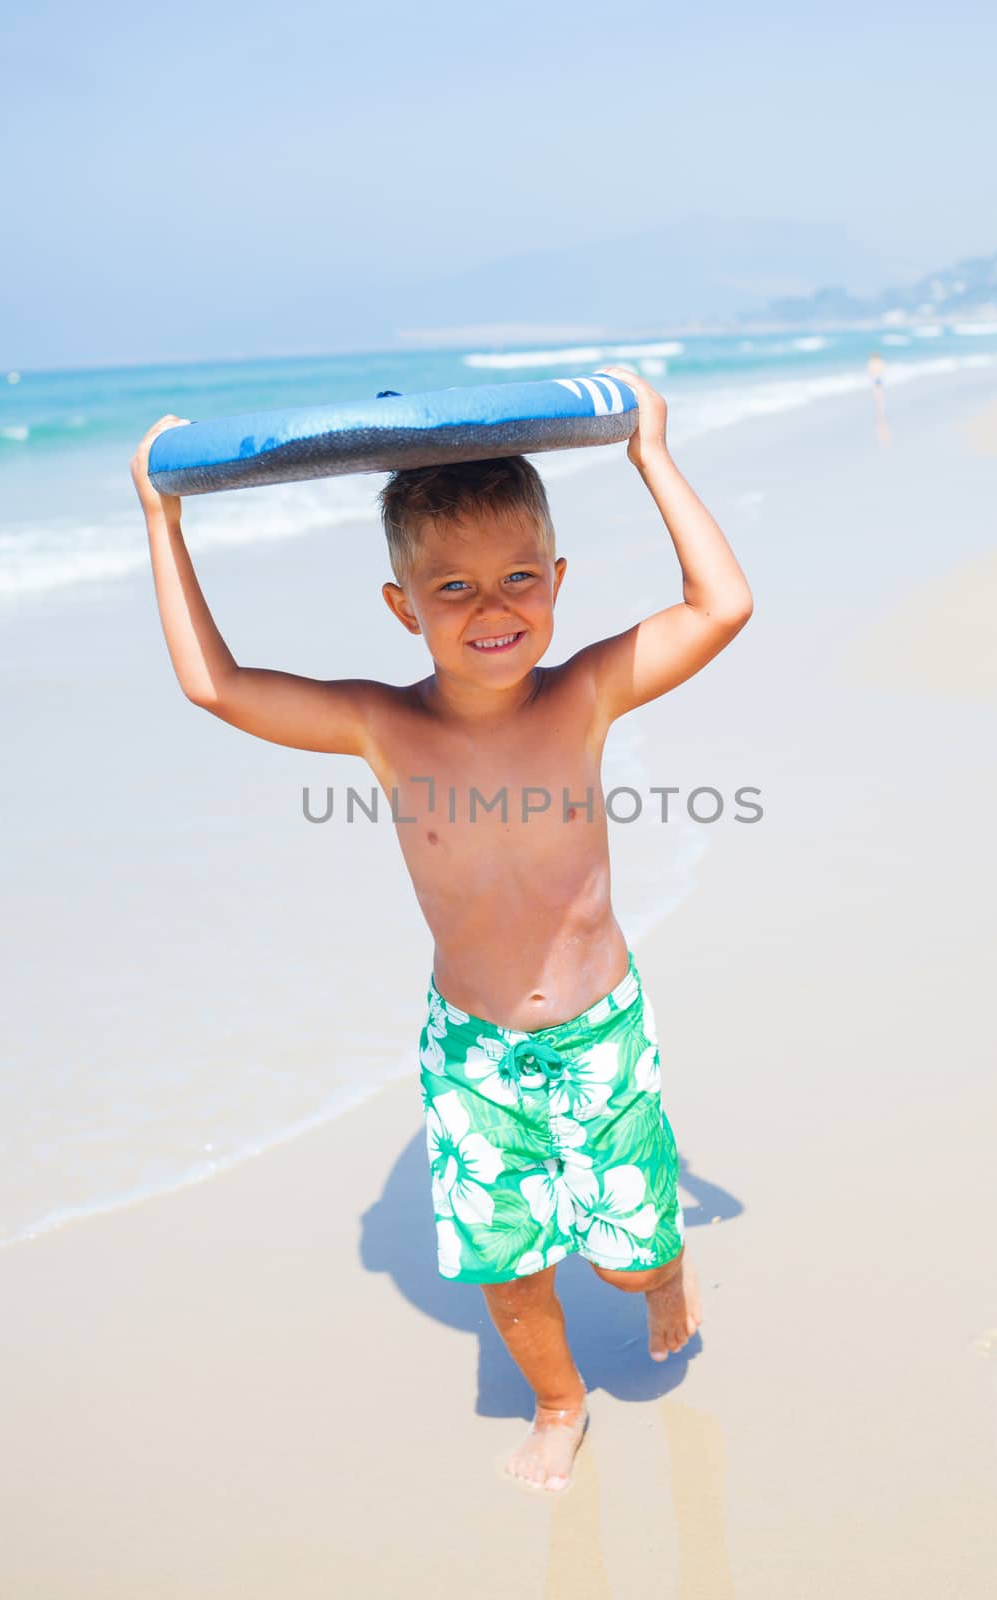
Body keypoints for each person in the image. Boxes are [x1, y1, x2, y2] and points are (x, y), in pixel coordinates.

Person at [129, 366, 754, 1495]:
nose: (493, 605)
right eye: (453, 586)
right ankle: (560, 1403)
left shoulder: (585, 695)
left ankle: (664, 1276)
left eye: (520, 576)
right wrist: (160, 514)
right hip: (469, 1050)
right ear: (401, 606)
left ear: (558, 582)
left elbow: (722, 607)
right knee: (508, 1271)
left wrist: (648, 454)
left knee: (627, 1260)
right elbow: (215, 685)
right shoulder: (380, 724)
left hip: (600, 1033)